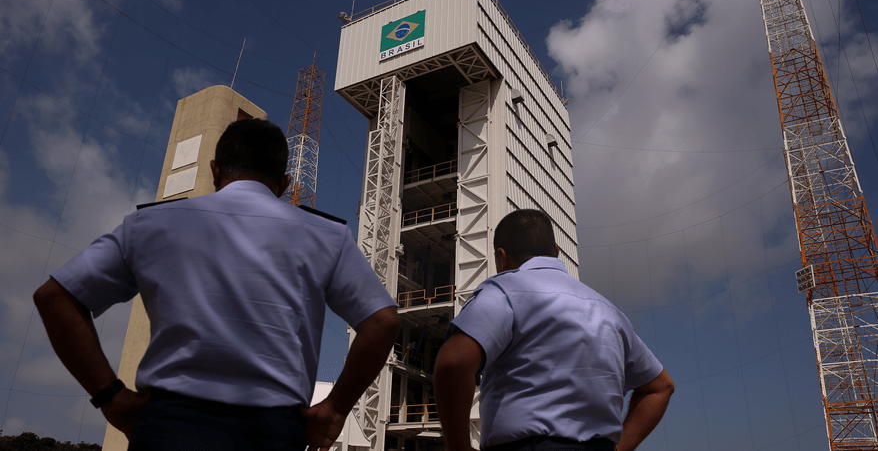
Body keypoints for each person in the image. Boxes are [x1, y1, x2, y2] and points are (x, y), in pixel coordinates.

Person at [33, 118, 400, 451]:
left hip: (168, 426)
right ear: (285, 183)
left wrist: (110, 396)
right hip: (272, 431)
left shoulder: (150, 225)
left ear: (214, 170)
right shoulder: (327, 236)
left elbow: (55, 297)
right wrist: (335, 409)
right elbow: (382, 321)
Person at [434, 209, 673, 451]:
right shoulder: (609, 311)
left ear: (501, 257)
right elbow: (661, 387)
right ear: (557, 251)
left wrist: (457, 447)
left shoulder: (504, 291)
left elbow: (453, 363)